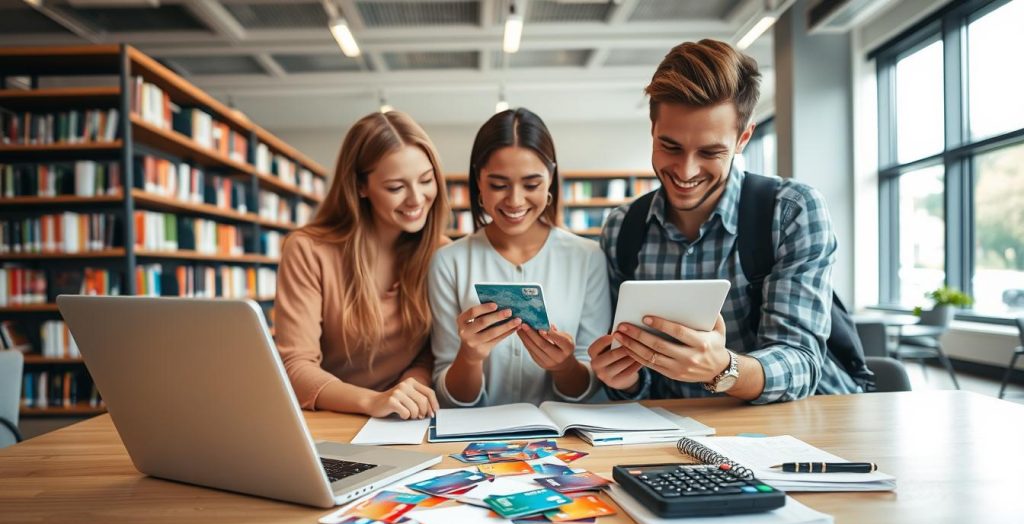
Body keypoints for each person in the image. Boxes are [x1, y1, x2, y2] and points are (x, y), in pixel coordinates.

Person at [588, 39, 862, 404]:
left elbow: (802, 364)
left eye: (710, 152)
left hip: (795, 426)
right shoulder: (623, 229)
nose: (686, 171)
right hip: (677, 433)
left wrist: (723, 368)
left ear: (742, 138)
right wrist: (623, 379)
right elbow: (644, 386)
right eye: (670, 146)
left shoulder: (791, 212)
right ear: (652, 129)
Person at [428, 108, 611, 407]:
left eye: (531, 185)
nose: (514, 200)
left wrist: (564, 367)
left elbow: (590, 385)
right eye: (499, 185)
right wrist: (470, 356)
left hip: (563, 440)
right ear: (478, 182)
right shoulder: (448, 263)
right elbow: (450, 395)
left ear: (551, 178)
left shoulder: (587, 258)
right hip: (475, 441)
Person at [275, 111, 448, 419]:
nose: (416, 199)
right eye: (396, 187)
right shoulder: (308, 250)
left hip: (401, 418)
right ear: (360, 186)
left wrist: (409, 388)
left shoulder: (442, 254)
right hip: (326, 418)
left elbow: (431, 354)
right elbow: (295, 366)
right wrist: (373, 401)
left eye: (425, 180)